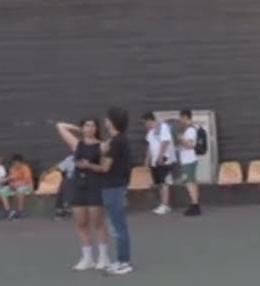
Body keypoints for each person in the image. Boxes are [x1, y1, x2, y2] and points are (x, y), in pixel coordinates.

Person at [55, 119, 111, 271]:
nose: (90, 128)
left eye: (93, 125)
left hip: (95, 185)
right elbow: (60, 126)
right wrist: (78, 129)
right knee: (81, 223)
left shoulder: (102, 146)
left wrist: (89, 166)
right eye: (87, 125)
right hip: (78, 186)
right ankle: (87, 258)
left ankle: (104, 257)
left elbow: (105, 168)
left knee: (98, 223)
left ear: (97, 129)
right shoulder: (76, 144)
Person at [83, 107, 134, 276]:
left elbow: (105, 167)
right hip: (114, 186)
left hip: (114, 187)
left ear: (113, 121)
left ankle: (124, 262)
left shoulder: (116, 141)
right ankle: (121, 260)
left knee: (118, 227)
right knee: (117, 226)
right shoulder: (118, 140)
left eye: (107, 118)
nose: (104, 121)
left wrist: (90, 164)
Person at [143, 112, 176, 215]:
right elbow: (149, 146)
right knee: (159, 182)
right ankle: (163, 204)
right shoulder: (150, 131)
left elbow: (165, 142)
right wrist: (147, 160)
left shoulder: (163, 127)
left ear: (150, 120)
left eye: (145, 122)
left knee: (163, 181)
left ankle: (165, 205)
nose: (144, 125)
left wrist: (160, 156)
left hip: (164, 158)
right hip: (155, 161)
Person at [175, 110, 202, 216]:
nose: (180, 120)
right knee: (192, 183)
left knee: (189, 183)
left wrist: (181, 138)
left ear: (185, 118)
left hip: (188, 161)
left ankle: (195, 206)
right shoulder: (188, 130)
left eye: (181, 118)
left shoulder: (190, 130)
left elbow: (190, 145)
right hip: (188, 160)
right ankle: (194, 204)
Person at [1, 154, 34, 219]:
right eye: (14, 163)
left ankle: (20, 211)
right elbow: (11, 180)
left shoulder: (25, 168)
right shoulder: (12, 168)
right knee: (2, 191)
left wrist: (17, 184)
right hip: (15, 186)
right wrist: (11, 185)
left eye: (17, 163)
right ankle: (8, 211)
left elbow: (26, 181)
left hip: (27, 187)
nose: (16, 165)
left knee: (20, 190)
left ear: (21, 162)